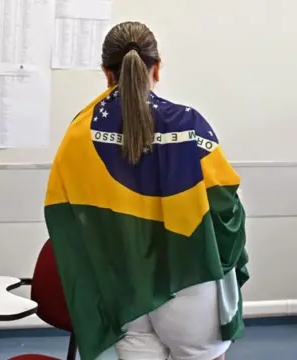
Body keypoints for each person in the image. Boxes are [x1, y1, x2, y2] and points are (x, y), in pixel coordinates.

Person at [44, 21, 249, 360]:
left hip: (123, 284)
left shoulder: (79, 133)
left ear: (106, 72)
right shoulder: (188, 125)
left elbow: (65, 213)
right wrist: (227, 263)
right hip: (189, 276)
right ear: (157, 67)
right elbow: (226, 209)